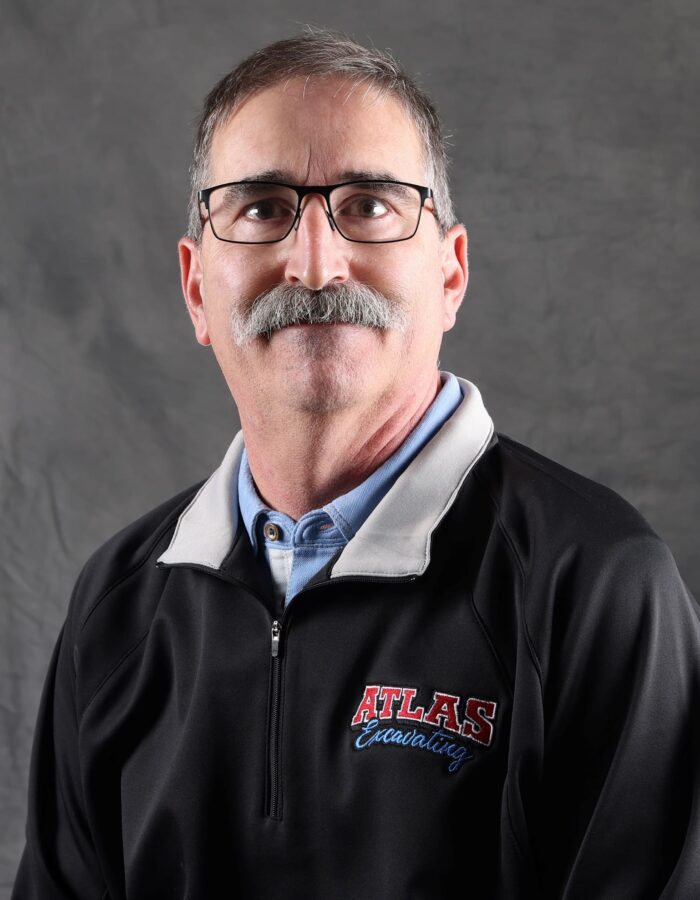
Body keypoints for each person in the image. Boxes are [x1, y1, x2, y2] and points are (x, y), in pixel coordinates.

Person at [13, 26, 700, 900]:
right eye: (261, 208)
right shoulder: (116, 606)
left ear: (450, 275)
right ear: (196, 289)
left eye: (369, 205)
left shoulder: (596, 586)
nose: (314, 262)